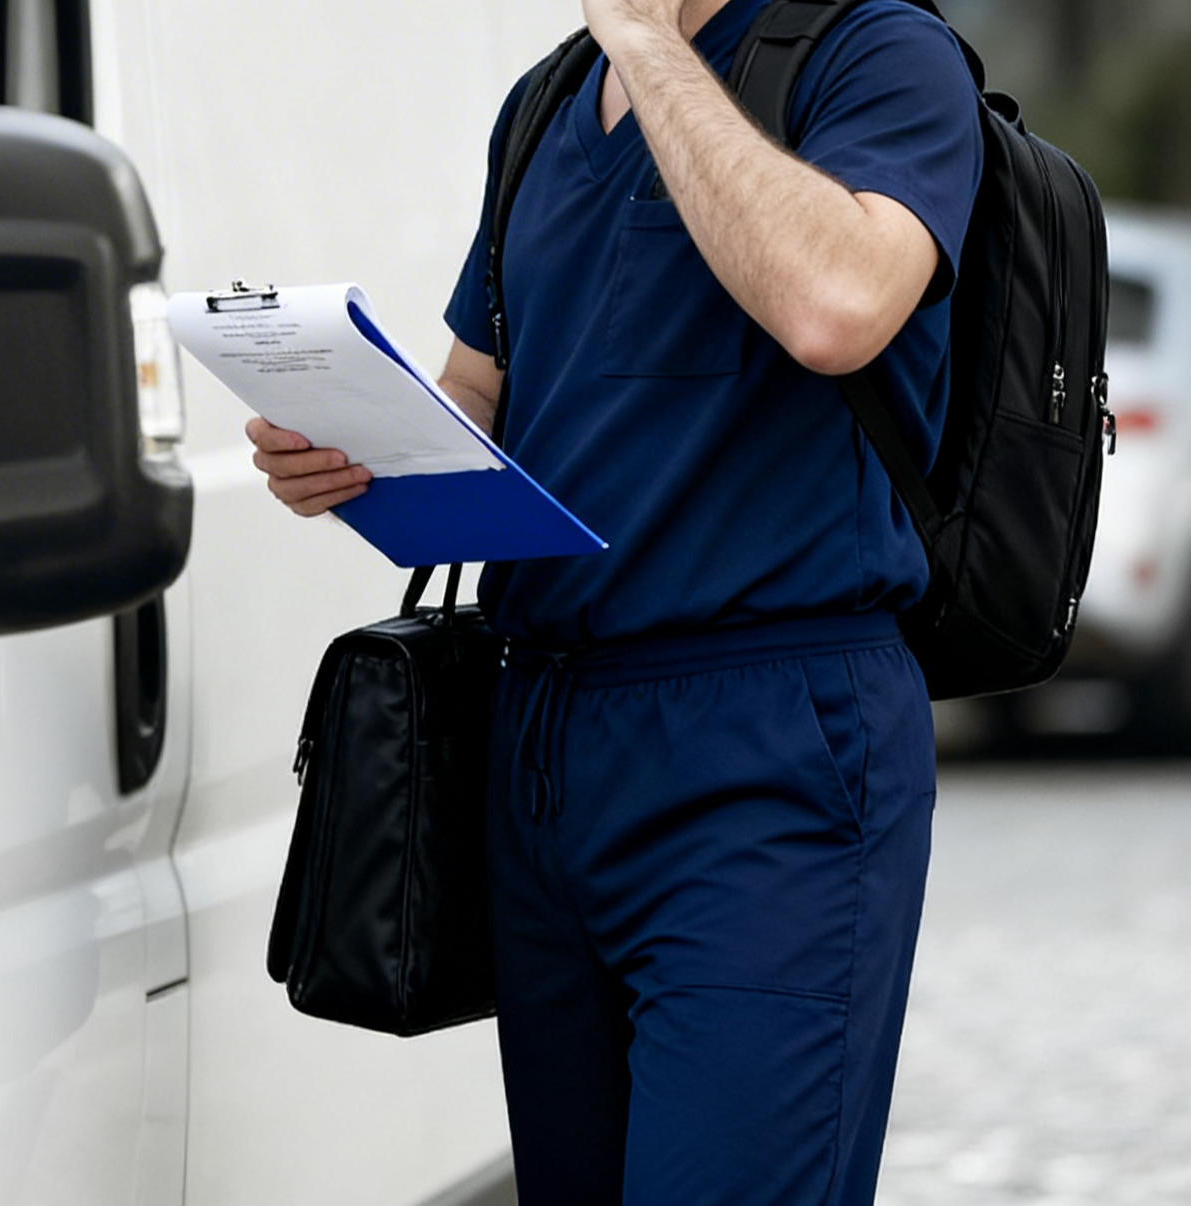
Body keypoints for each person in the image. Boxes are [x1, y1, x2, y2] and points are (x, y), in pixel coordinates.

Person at [248, 0, 984, 1202]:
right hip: (544, 743)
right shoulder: (543, 104)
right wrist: (350, 452)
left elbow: (836, 306)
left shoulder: (876, 49)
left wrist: (648, 44)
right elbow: (477, 391)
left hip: (768, 748)